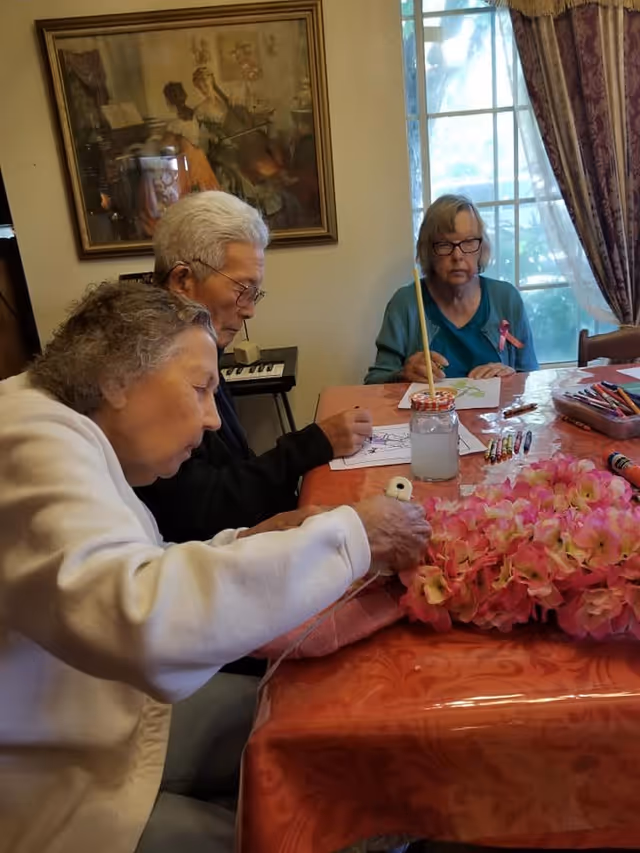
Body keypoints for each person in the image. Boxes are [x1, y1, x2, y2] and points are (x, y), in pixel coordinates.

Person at [0, 280, 430, 853]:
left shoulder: (59, 422)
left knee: (336, 737)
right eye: (200, 389)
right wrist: (355, 533)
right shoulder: (27, 436)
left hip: (109, 715)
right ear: (116, 379)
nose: (210, 419)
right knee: (324, 831)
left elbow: (124, 573)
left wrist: (246, 539)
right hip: (54, 782)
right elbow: (142, 622)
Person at [135, 191, 374, 543]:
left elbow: (230, 466)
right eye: (242, 289)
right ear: (183, 281)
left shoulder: (200, 346)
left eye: (254, 293)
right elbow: (200, 512)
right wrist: (311, 445)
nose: (249, 311)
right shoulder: (147, 366)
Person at [365, 194, 539, 384]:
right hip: (427, 415)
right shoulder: (405, 303)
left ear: (482, 247)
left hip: (497, 414)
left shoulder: (507, 298)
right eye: (445, 244)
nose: (458, 255)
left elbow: (531, 379)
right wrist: (402, 376)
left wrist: (510, 377)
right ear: (428, 250)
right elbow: (374, 384)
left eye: (468, 242)